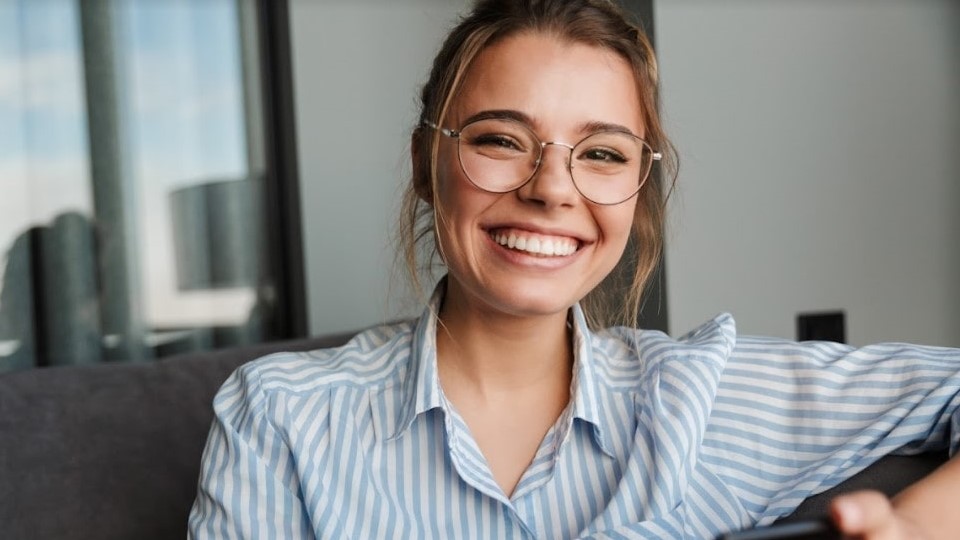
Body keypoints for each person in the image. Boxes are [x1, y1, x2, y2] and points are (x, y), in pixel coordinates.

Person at [188, 0, 960, 538]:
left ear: (637, 188)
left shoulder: (698, 397)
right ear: (430, 164)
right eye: (499, 139)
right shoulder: (279, 419)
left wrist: (919, 525)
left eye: (601, 154)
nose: (552, 189)